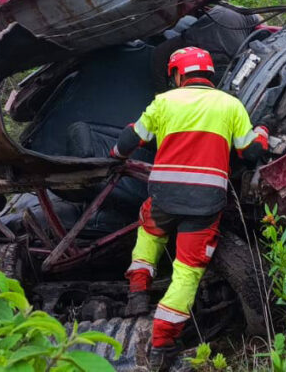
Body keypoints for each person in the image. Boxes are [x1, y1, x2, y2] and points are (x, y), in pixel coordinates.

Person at [110, 46, 268, 368]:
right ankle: (163, 342)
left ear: (179, 74)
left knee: (150, 231)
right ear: (208, 74)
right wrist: (262, 134)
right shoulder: (231, 105)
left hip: (164, 198)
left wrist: (115, 154)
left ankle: (137, 292)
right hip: (204, 205)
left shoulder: (164, 102)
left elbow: (130, 140)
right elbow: (250, 154)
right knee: (186, 271)